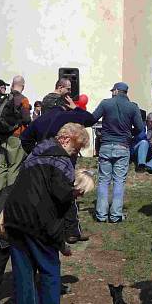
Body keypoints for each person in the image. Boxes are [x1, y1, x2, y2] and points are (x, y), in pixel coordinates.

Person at [3, 123, 91, 304]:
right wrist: (75, 192)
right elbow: (61, 198)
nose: (76, 153)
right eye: (77, 148)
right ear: (66, 139)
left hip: (14, 217)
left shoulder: (33, 154)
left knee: (23, 275)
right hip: (39, 222)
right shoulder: (61, 161)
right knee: (50, 273)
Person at [20, 95, 96, 243]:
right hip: (65, 159)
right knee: (67, 193)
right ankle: (71, 231)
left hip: (42, 159)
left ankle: (44, 228)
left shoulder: (40, 119)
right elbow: (91, 119)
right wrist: (76, 107)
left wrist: (33, 151)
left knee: (45, 193)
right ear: (65, 104)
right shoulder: (70, 115)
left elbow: (25, 138)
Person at [92, 82, 144, 223]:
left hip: (106, 145)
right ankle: (115, 215)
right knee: (119, 181)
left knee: (103, 180)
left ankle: (101, 215)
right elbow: (140, 128)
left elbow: (92, 119)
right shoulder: (133, 107)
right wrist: (129, 133)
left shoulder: (105, 104)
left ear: (115, 91)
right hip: (122, 146)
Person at [0, 75, 31, 195]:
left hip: (1, 135)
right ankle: (10, 197)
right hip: (15, 136)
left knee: (1, 166)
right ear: (23, 86)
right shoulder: (23, 100)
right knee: (14, 167)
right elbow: (26, 119)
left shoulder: (4, 98)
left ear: (12, 84)